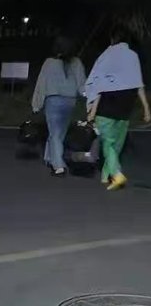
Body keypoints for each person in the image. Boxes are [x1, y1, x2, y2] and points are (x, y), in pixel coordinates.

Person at [83, 27, 151, 189]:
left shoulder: (107, 55)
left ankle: (116, 174)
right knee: (117, 144)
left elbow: (99, 84)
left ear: (112, 39)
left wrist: (92, 110)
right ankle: (106, 176)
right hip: (126, 105)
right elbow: (138, 84)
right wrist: (146, 109)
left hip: (106, 104)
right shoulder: (133, 56)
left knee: (108, 143)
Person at [30, 36, 86, 176]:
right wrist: (89, 98)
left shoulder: (49, 63)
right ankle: (49, 157)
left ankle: (58, 165)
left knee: (55, 133)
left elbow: (41, 83)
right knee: (59, 133)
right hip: (70, 101)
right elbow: (82, 85)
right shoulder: (76, 62)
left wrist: (36, 103)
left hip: (53, 101)